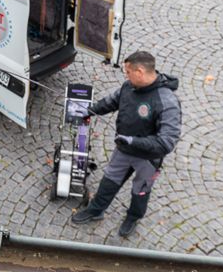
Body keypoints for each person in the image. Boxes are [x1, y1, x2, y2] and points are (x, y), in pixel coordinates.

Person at [70, 51, 181, 236]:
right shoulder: (129, 86)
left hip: (148, 159)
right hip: (124, 149)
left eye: (128, 72)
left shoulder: (167, 101)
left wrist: (133, 141)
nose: (126, 75)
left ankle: (133, 217)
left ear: (139, 71)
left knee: (141, 190)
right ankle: (96, 209)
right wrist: (89, 111)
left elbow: (166, 142)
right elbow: (112, 101)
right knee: (110, 180)